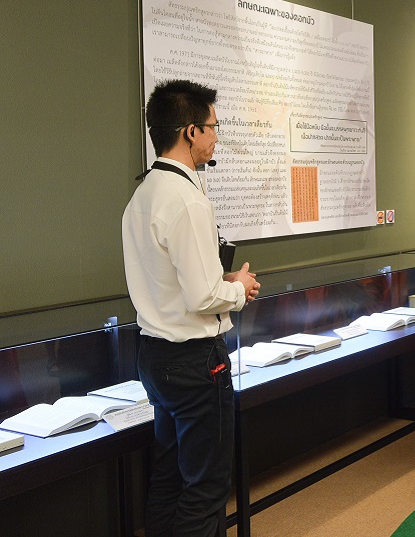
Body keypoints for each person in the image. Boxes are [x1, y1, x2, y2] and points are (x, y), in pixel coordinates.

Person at [123, 80, 260, 537]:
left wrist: (219, 283)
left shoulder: (141, 196)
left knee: (167, 477)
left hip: (154, 357)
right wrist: (239, 287)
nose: (216, 137)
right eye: (212, 128)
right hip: (196, 362)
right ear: (189, 132)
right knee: (206, 488)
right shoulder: (187, 199)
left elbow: (171, 281)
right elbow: (203, 298)